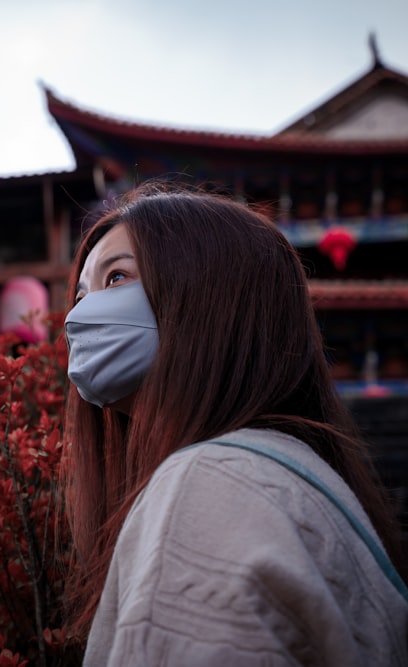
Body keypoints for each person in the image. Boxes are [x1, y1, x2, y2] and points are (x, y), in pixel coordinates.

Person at [61, 185, 408, 665]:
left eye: (117, 277)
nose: (78, 317)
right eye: (80, 295)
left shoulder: (208, 480)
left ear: (212, 298)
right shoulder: (292, 479)